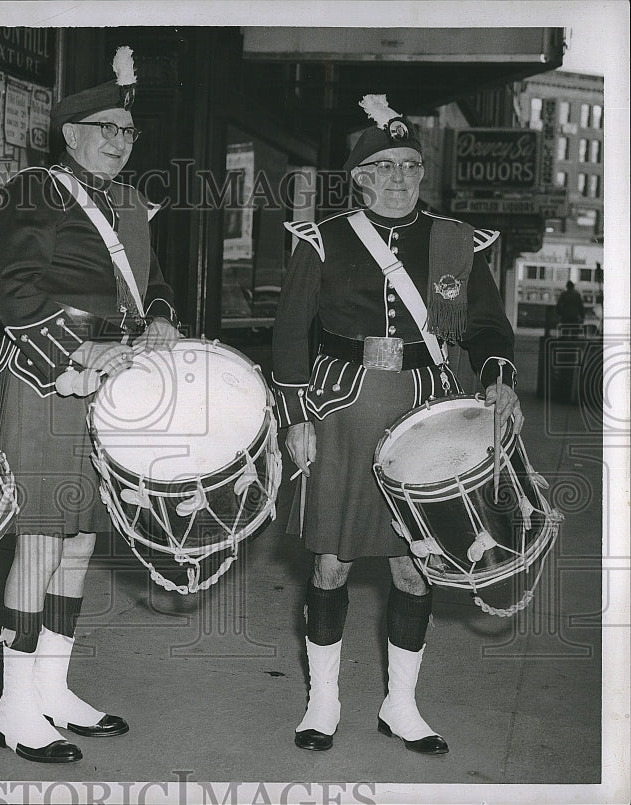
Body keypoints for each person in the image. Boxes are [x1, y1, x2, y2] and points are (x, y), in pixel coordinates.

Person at [271, 94, 523, 756]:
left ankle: (401, 704)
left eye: (409, 164)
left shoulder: (453, 239)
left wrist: (497, 376)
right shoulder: (322, 237)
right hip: (344, 408)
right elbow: (292, 334)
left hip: (428, 410)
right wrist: (295, 417)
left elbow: (488, 325)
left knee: (418, 567)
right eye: (382, 166)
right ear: (358, 177)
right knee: (330, 562)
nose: (398, 177)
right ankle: (322, 701)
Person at [0, 46, 179, 764]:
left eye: (127, 133)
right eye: (105, 129)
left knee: (80, 537)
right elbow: (13, 291)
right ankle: (13, 703)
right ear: (70, 133)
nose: (119, 143)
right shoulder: (39, 190)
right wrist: (71, 354)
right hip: (48, 378)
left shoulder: (130, 201)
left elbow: (151, 282)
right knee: (40, 535)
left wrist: (158, 315)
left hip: (115, 380)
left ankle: (54, 687)